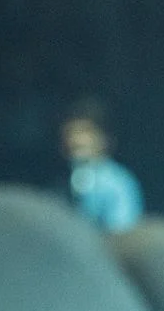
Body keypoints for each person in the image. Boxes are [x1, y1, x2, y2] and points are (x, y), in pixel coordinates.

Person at [61, 98, 143, 232]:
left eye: (85, 132)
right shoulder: (63, 181)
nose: (76, 140)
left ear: (104, 138)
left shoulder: (118, 183)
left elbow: (122, 232)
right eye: (70, 132)